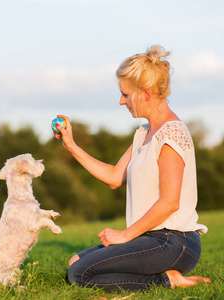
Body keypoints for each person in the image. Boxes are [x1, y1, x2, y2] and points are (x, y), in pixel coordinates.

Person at [54, 45, 211, 292]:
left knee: (79, 273)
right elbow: (115, 177)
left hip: (173, 241)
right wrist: (72, 146)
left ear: (145, 94)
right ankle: (160, 277)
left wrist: (125, 235)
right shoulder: (145, 134)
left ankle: (167, 281)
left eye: (125, 95)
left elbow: (170, 202)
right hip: (149, 238)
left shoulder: (171, 134)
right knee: (76, 261)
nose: (121, 101)